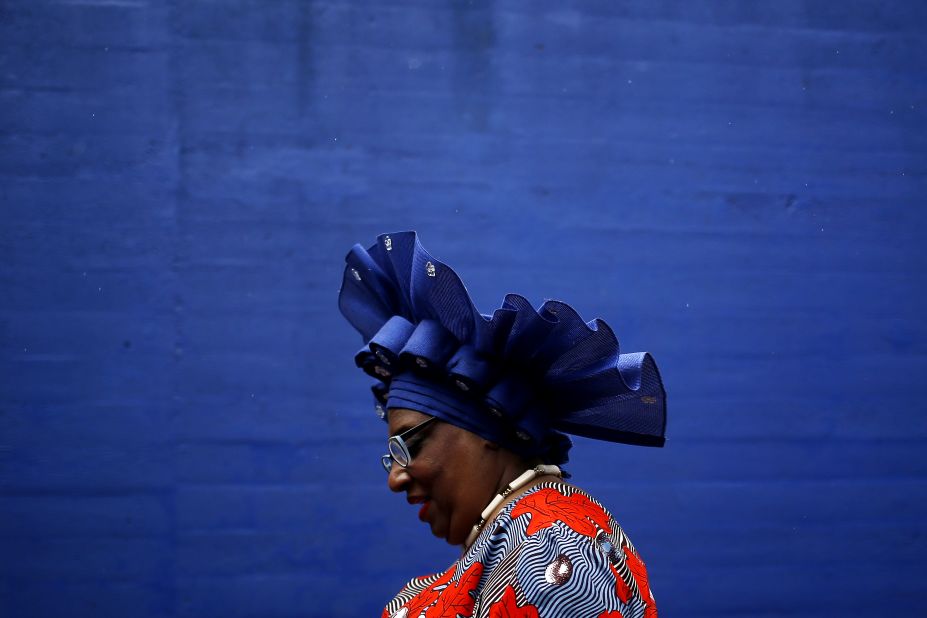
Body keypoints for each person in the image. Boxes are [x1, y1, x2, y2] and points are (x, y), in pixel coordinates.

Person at [339, 232, 666, 618]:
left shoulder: (551, 548)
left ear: (486, 427)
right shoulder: (518, 537)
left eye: (409, 446)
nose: (396, 478)